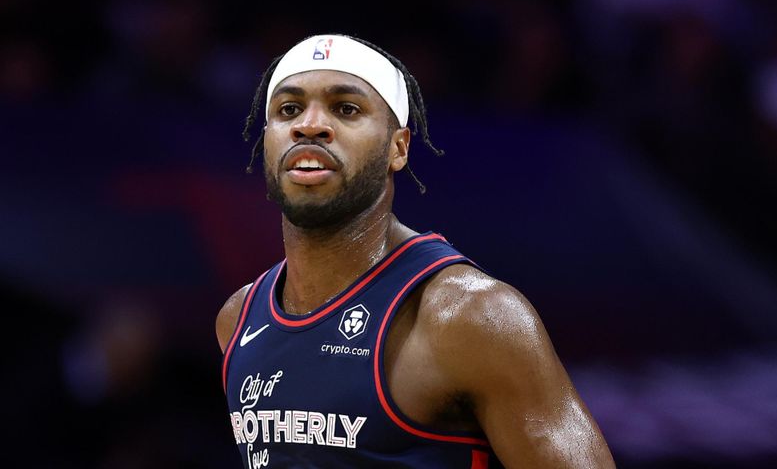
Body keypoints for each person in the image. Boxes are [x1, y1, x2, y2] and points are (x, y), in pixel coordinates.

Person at [216, 34, 616, 468]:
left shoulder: (471, 316)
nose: (310, 125)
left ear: (398, 148)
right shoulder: (238, 318)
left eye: (345, 109)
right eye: (289, 110)